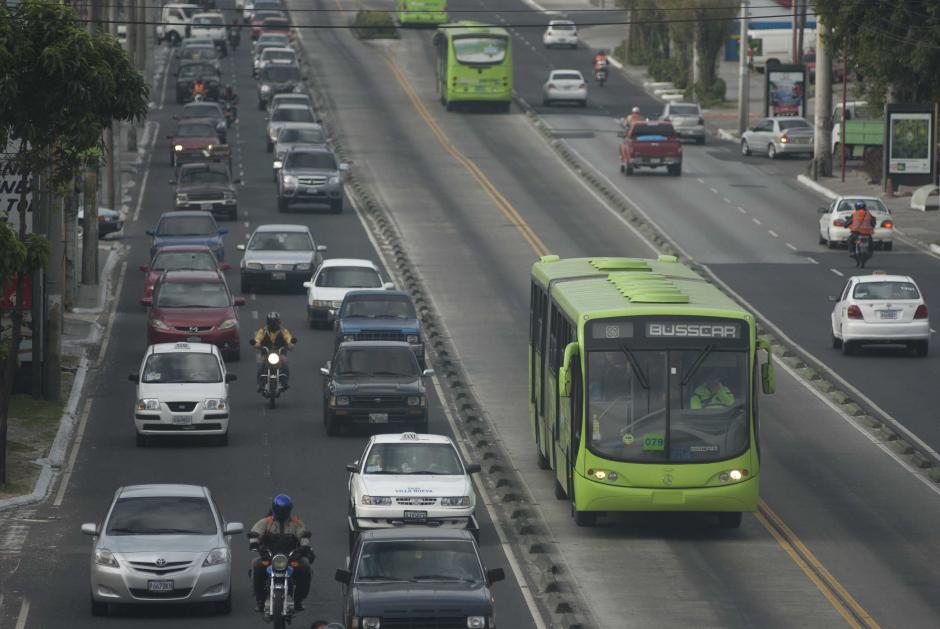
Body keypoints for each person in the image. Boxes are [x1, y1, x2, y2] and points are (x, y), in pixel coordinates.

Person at [249, 494, 314, 612]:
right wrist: (255, 543)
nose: (282, 512)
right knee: (256, 566)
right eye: (280, 509)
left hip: (292, 558)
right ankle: (260, 600)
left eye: (285, 509)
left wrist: (304, 547)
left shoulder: (296, 523)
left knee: (305, 567)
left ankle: (298, 600)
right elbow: (255, 533)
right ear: (274, 508)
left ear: (290, 509)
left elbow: (303, 535)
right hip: (269, 557)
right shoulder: (266, 522)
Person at [251, 312, 296, 391]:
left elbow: (288, 338)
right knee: (260, 366)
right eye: (271, 322)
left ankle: (285, 382)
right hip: (266, 354)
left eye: (275, 322)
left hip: (280, 354)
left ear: (279, 322)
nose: (273, 324)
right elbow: (257, 339)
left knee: (285, 365)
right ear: (268, 322)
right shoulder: (263, 331)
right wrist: (256, 344)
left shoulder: (283, 331)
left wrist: (290, 344)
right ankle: (260, 384)